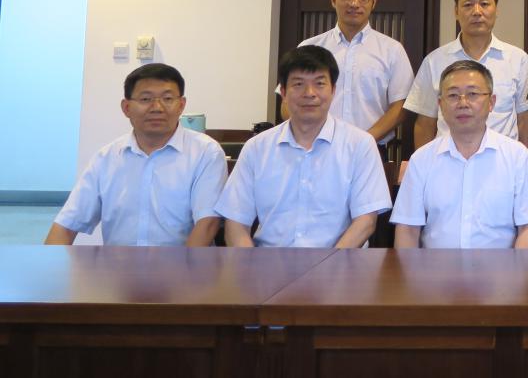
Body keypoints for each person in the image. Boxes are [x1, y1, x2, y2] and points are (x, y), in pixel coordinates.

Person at [216, 45, 392, 248]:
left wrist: (330, 263)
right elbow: (236, 223)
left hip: (338, 262)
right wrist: (251, 264)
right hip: (268, 262)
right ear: (283, 92)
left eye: (319, 84)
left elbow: (366, 222)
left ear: (333, 90)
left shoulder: (360, 145)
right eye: (298, 84)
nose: (310, 93)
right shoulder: (257, 148)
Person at [46, 63, 226, 247]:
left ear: (181, 105)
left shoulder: (205, 152)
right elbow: (66, 225)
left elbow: (208, 223)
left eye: (167, 98)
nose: (157, 107)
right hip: (117, 263)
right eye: (146, 99)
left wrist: (181, 265)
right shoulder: (106, 158)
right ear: (126, 108)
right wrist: (48, 262)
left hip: (184, 263)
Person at [393, 60, 528, 248]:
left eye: (473, 94)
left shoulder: (517, 156)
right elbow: (407, 229)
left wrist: (517, 267)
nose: (463, 103)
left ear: (491, 102)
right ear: (440, 104)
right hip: (435, 266)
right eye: (453, 95)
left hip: (501, 266)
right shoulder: (421, 159)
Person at [405, 0, 528, 152]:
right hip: (447, 160)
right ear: (456, 12)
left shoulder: (518, 60)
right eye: (468, 5)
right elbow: (425, 123)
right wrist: (425, 163)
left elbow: (525, 120)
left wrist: (524, 161)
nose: (477, 11)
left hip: (502, 161)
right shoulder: (434, 61)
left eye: (484, 4)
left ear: (496, 10)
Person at [295, 0, 413, 153]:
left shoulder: (392, 50)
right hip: (316, 147)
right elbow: (288, 102)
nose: (354, 3)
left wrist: (364, 140)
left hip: (371, 148)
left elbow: (401, 107)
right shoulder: (309, 48)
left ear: (374, 2)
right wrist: (310, 133)